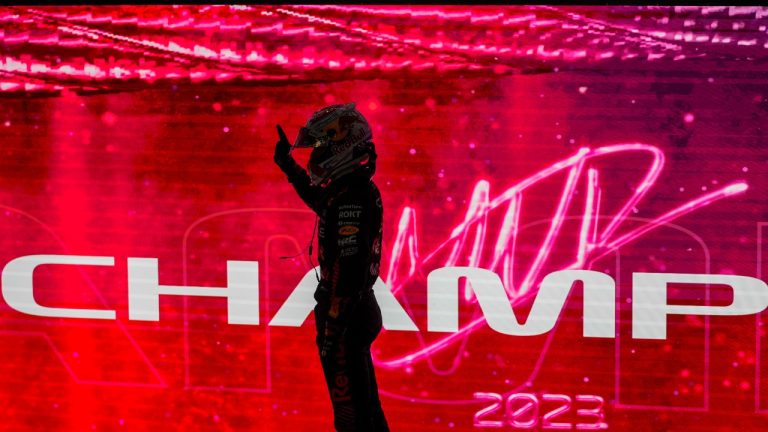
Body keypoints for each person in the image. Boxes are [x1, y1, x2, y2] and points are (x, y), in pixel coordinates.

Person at [273, 103, 390, 432]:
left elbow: (349, 273)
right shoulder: (351, 190)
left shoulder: (352, 197)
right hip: (355, 312)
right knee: (365, 412)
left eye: (322, 147)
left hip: (346, 317)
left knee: (351, 419)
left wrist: (332, 330)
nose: (316, 156)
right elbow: (321, 203)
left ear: (342, 148)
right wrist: (289, 166)